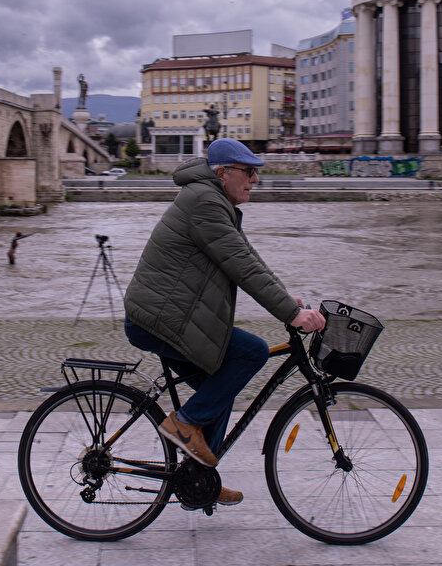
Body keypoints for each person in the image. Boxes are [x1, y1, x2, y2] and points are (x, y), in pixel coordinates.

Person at [123, 137, 325, 509]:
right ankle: (184, 425)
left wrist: (286, 298)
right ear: (223, 173)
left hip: (175, 316)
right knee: (251, 352)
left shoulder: (214, 201)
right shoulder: (204, 202)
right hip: (159, 318)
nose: (255, 180)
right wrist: (292, 315)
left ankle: (199, 480)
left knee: (221, 390)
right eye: (249, 172)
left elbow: (248, 257)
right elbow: (241, 266)